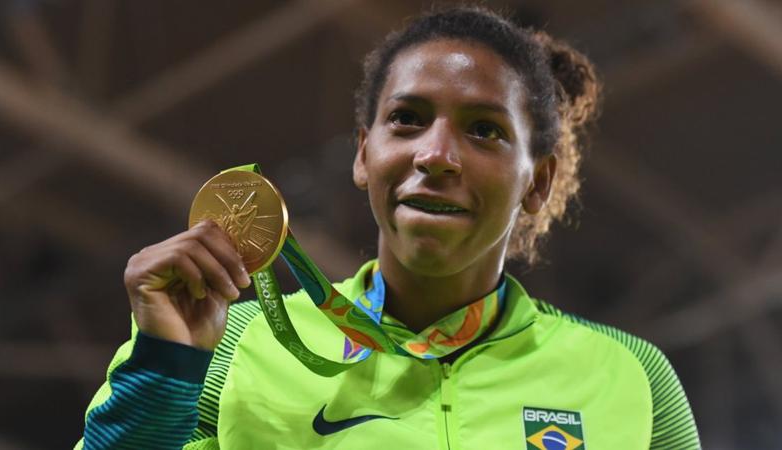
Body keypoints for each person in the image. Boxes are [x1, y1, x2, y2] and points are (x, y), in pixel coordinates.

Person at [76, 6, 701, 449]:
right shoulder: (236, 344)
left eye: (484, 129)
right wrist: (163, 368)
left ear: (537, 182)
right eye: (407, 119)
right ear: (363, 155)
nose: (436, 154)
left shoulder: (631, 377)